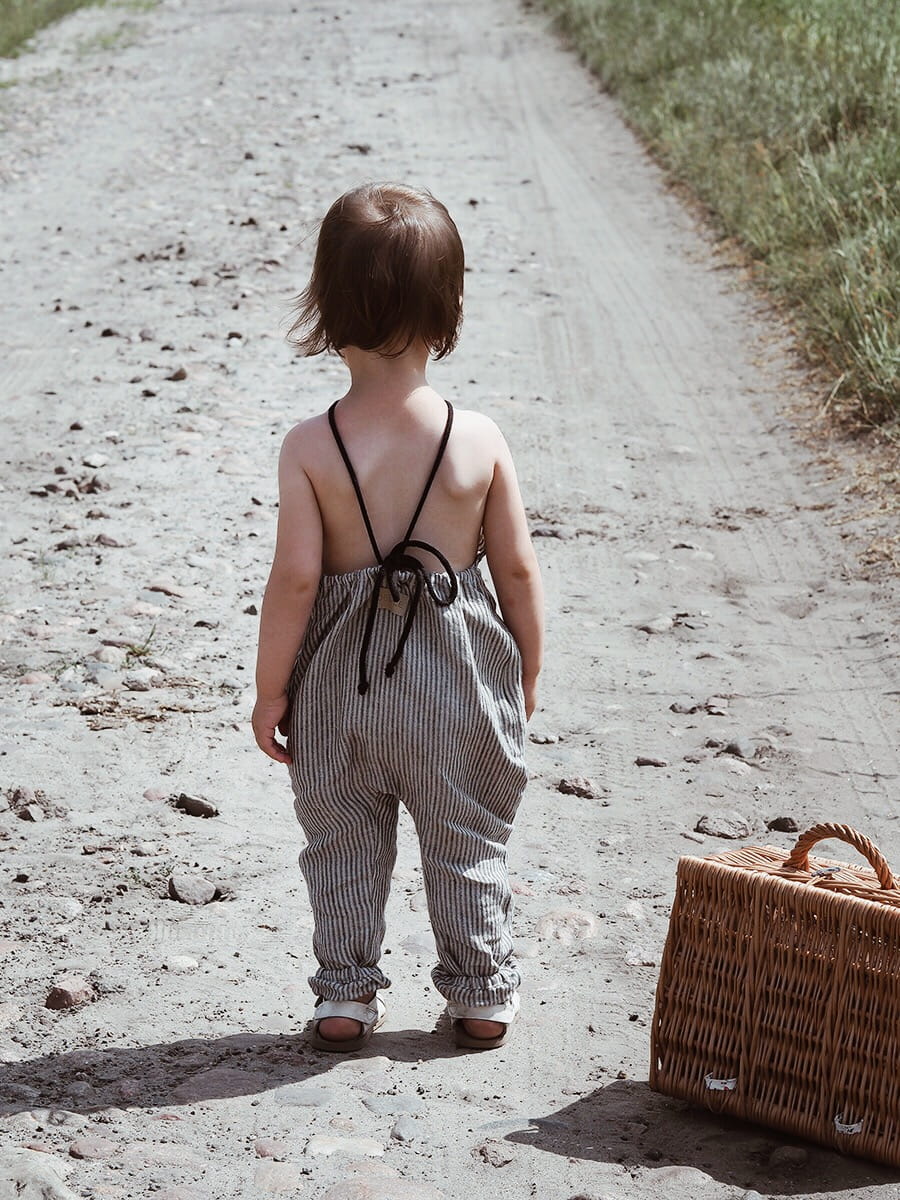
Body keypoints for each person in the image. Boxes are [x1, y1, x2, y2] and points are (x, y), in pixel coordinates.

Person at [252, 183, 544, 1053]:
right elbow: (519, 567)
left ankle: (343, 996)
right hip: (456, 687)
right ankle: (482, 991)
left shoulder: (311, 445)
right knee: (467, 837)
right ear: (448, 310)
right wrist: (525, 668)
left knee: (340, 845)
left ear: (328, 307)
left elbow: (296, 581)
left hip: (343, 691)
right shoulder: (478, 438)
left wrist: (272, 693)